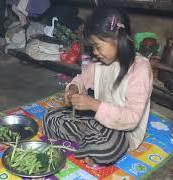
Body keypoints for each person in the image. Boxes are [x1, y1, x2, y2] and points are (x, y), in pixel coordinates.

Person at [43, 8, 153, 166]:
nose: (95, 52)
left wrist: (94, 104)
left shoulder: (140, 69)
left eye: (97, 46)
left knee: (108, 147)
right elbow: (81, 79)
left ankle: (93, 145)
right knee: (50, 117)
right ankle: (90, 143)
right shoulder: (99, 62)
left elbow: (132, 119)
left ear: (118, 39)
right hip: (98, 119)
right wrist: (73, 89)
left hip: (123, 132)